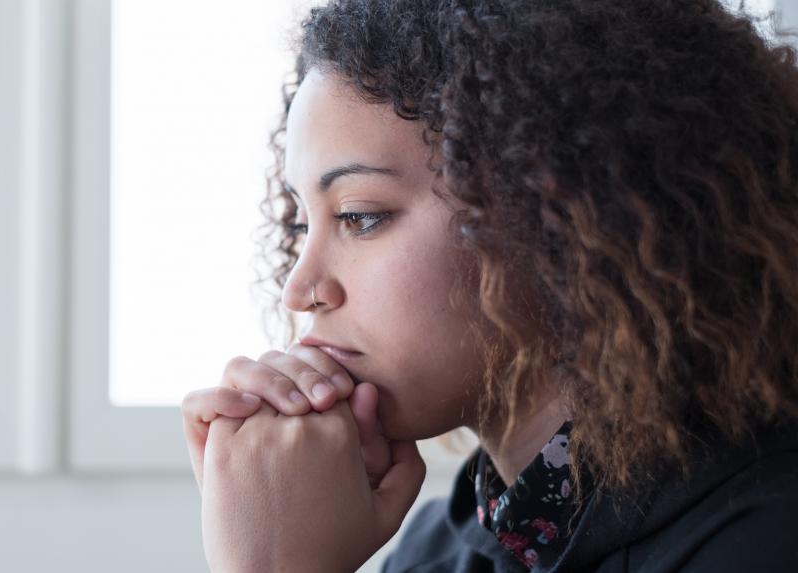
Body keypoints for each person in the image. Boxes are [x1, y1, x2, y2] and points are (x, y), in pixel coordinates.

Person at [181, 0, 798, 571]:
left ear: (558, 209)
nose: (301, 288)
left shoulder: (765, 537)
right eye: (300, 220)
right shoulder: (432, 550)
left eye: (360, 216)